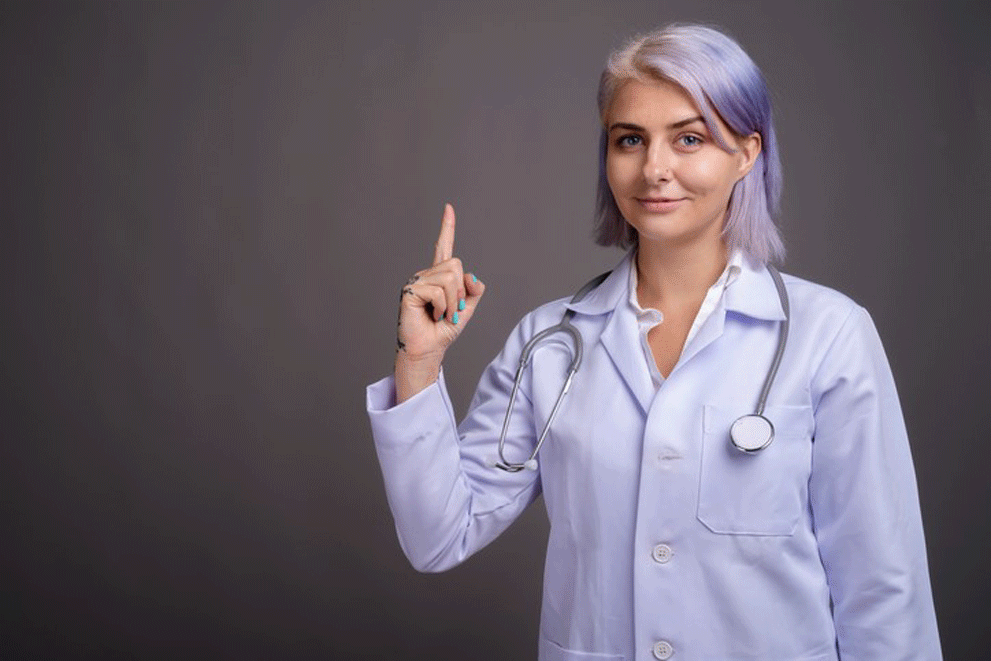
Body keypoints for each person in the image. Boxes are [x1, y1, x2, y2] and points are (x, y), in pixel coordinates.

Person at [366, 23, 942, 661]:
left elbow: (884, 591)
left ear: (747, 152)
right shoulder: (552, 343)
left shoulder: (830, 336)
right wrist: (418, 363)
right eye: (629, 140)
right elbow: (438, 534)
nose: (654, 169)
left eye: (689, 138)